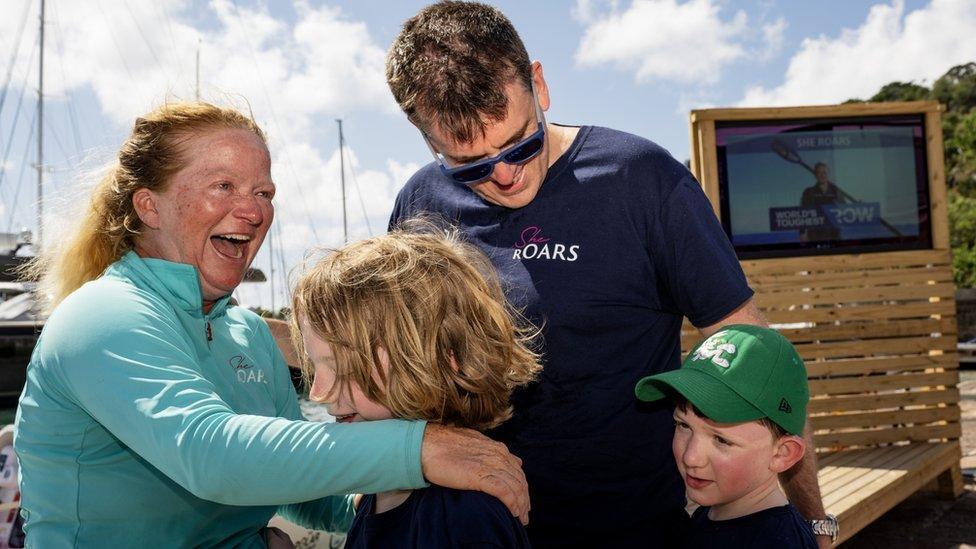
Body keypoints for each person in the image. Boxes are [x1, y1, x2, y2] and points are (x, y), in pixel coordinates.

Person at [384, 2, 833, 547]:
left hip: (632, 527)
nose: (504, 175)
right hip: (479, 526)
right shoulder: (420, 205)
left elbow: (756, 363)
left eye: (520, 143)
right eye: (470, 165)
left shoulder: (642, 181)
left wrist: (813, 522)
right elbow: (396, 374)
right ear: (428, 141)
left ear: (539, 84)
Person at [13, 101, 528, 548]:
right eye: (224, 186)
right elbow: (212, 454)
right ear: (149, 206)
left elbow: (293, 482)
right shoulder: (103, 316)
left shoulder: (249, 333)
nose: (253, 210)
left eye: (264, 192)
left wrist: (400, 512)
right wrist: (419, 449)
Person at [290, 227, 538, 548]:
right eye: (314, 367)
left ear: (438, 362)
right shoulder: (376, 495)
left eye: (343, 368)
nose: (317, 393)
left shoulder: (465, 517)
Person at [635, 325, 820, 548]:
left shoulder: (777, 542)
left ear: (782, 454)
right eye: (683, 425)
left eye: (721, 440)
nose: (691, 458)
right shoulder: (717, 511)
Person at [799, 162, 842, 241]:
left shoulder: (837, 191)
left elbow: (846, 210)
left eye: (824, 172)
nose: (822, 175)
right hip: (814, 235)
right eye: (819, 173)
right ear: (815, 175)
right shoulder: (808, 192)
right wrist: (802, 233)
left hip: (834, 235)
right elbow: (802, 213)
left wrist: (859, 206)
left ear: (828, 174)